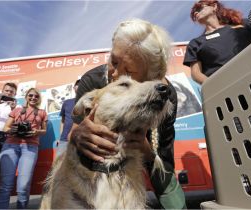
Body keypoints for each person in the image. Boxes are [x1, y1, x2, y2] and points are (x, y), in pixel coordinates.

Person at [71, 18, 186, 209]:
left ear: (152, 77)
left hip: (146, 145)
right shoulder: (92, 80)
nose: (115, 74)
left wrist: (147, 151)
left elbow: (163, 159)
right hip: (95, 165)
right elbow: (73, 130)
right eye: (113, 61)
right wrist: (79, 135)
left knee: (163, 177)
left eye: (129, 73)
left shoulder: (166, 95)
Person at [0, 88, 48, 209]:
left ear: (39, 98)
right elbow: (5, 128)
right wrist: (12, 130)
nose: (33, 98)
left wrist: (36, 131)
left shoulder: (42, 112)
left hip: (30, 147)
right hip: (11, 145)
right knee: (6, 185)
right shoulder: (17, 110)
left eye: (36, 96)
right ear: (26, 96)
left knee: (23, 186)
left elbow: (44, 131)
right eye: (31, 95)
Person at [183, 0, 251, 84]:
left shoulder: (241, 24)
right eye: (194, 12)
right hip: (228, 88)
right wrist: (217, 87)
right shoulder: (195, 43)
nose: (196, 12)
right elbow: (196, 74)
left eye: (199, 8)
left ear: (214, 7)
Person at [56, 79, 80, 156]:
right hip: (64, 139)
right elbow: (63, 121)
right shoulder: (66, 102)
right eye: (77, 84)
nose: (79, 86)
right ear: (74, 88)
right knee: (59, 164)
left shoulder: (88, 102)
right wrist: (60, 137)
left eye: (82, 84)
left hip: (80, 141)